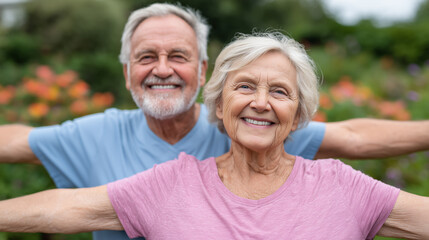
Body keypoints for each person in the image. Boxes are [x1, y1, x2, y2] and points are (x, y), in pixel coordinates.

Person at [1, 2, 429, 240]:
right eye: (147, 56)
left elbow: (353, 136)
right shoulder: (155, 174)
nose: (162, 69)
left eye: (279, 92)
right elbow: (65, 204)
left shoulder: (335, 182)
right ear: (219, 103)